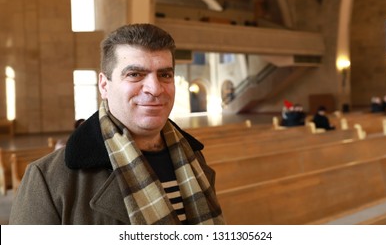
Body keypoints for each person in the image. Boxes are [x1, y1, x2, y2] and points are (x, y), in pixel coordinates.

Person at [9, 23, 225, 225]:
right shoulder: (47, 179)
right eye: (134, 74)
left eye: (165, 75)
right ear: (104, 85)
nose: (155, 88)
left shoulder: (193, 158)